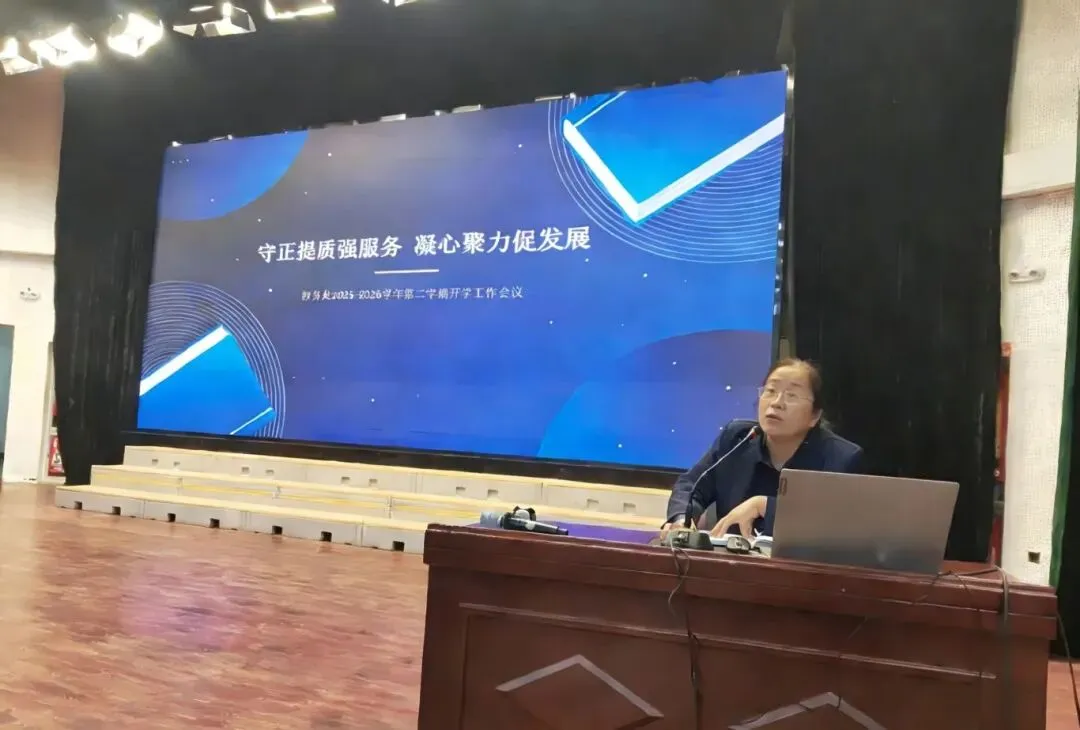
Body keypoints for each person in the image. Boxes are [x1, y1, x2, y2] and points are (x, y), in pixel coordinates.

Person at [662, 358, 863, 540]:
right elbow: (691, 485)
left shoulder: (840, 458)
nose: (776, 403)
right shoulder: (736, 439)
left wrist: (765, 506)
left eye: (792, 396)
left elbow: (836, 525)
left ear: (814, 416)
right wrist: (682, 521)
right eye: (770, 391)